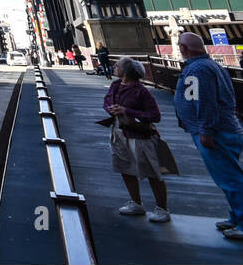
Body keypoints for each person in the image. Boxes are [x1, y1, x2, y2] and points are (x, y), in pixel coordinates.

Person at [174, 32, 243, 240]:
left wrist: (206, 129)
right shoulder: (211, 66)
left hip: (216, 131)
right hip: (222, 128)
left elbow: (204, 101)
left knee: (230, 178)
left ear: (184, 49)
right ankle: (235, 217)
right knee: (227, 176)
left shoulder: (197, 69)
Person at [104, 57, 170, 222]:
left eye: (117, 65)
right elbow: (107, 100)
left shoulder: (141, 91)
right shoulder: (115, 85)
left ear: (126, 71)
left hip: (140, 135)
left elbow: (155, 116)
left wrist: (127, 111)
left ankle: (162, 208)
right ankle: (136, 203)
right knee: (124, 168)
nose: (114, 67)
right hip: (119, 132)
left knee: (152, 172)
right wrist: (110, 109)